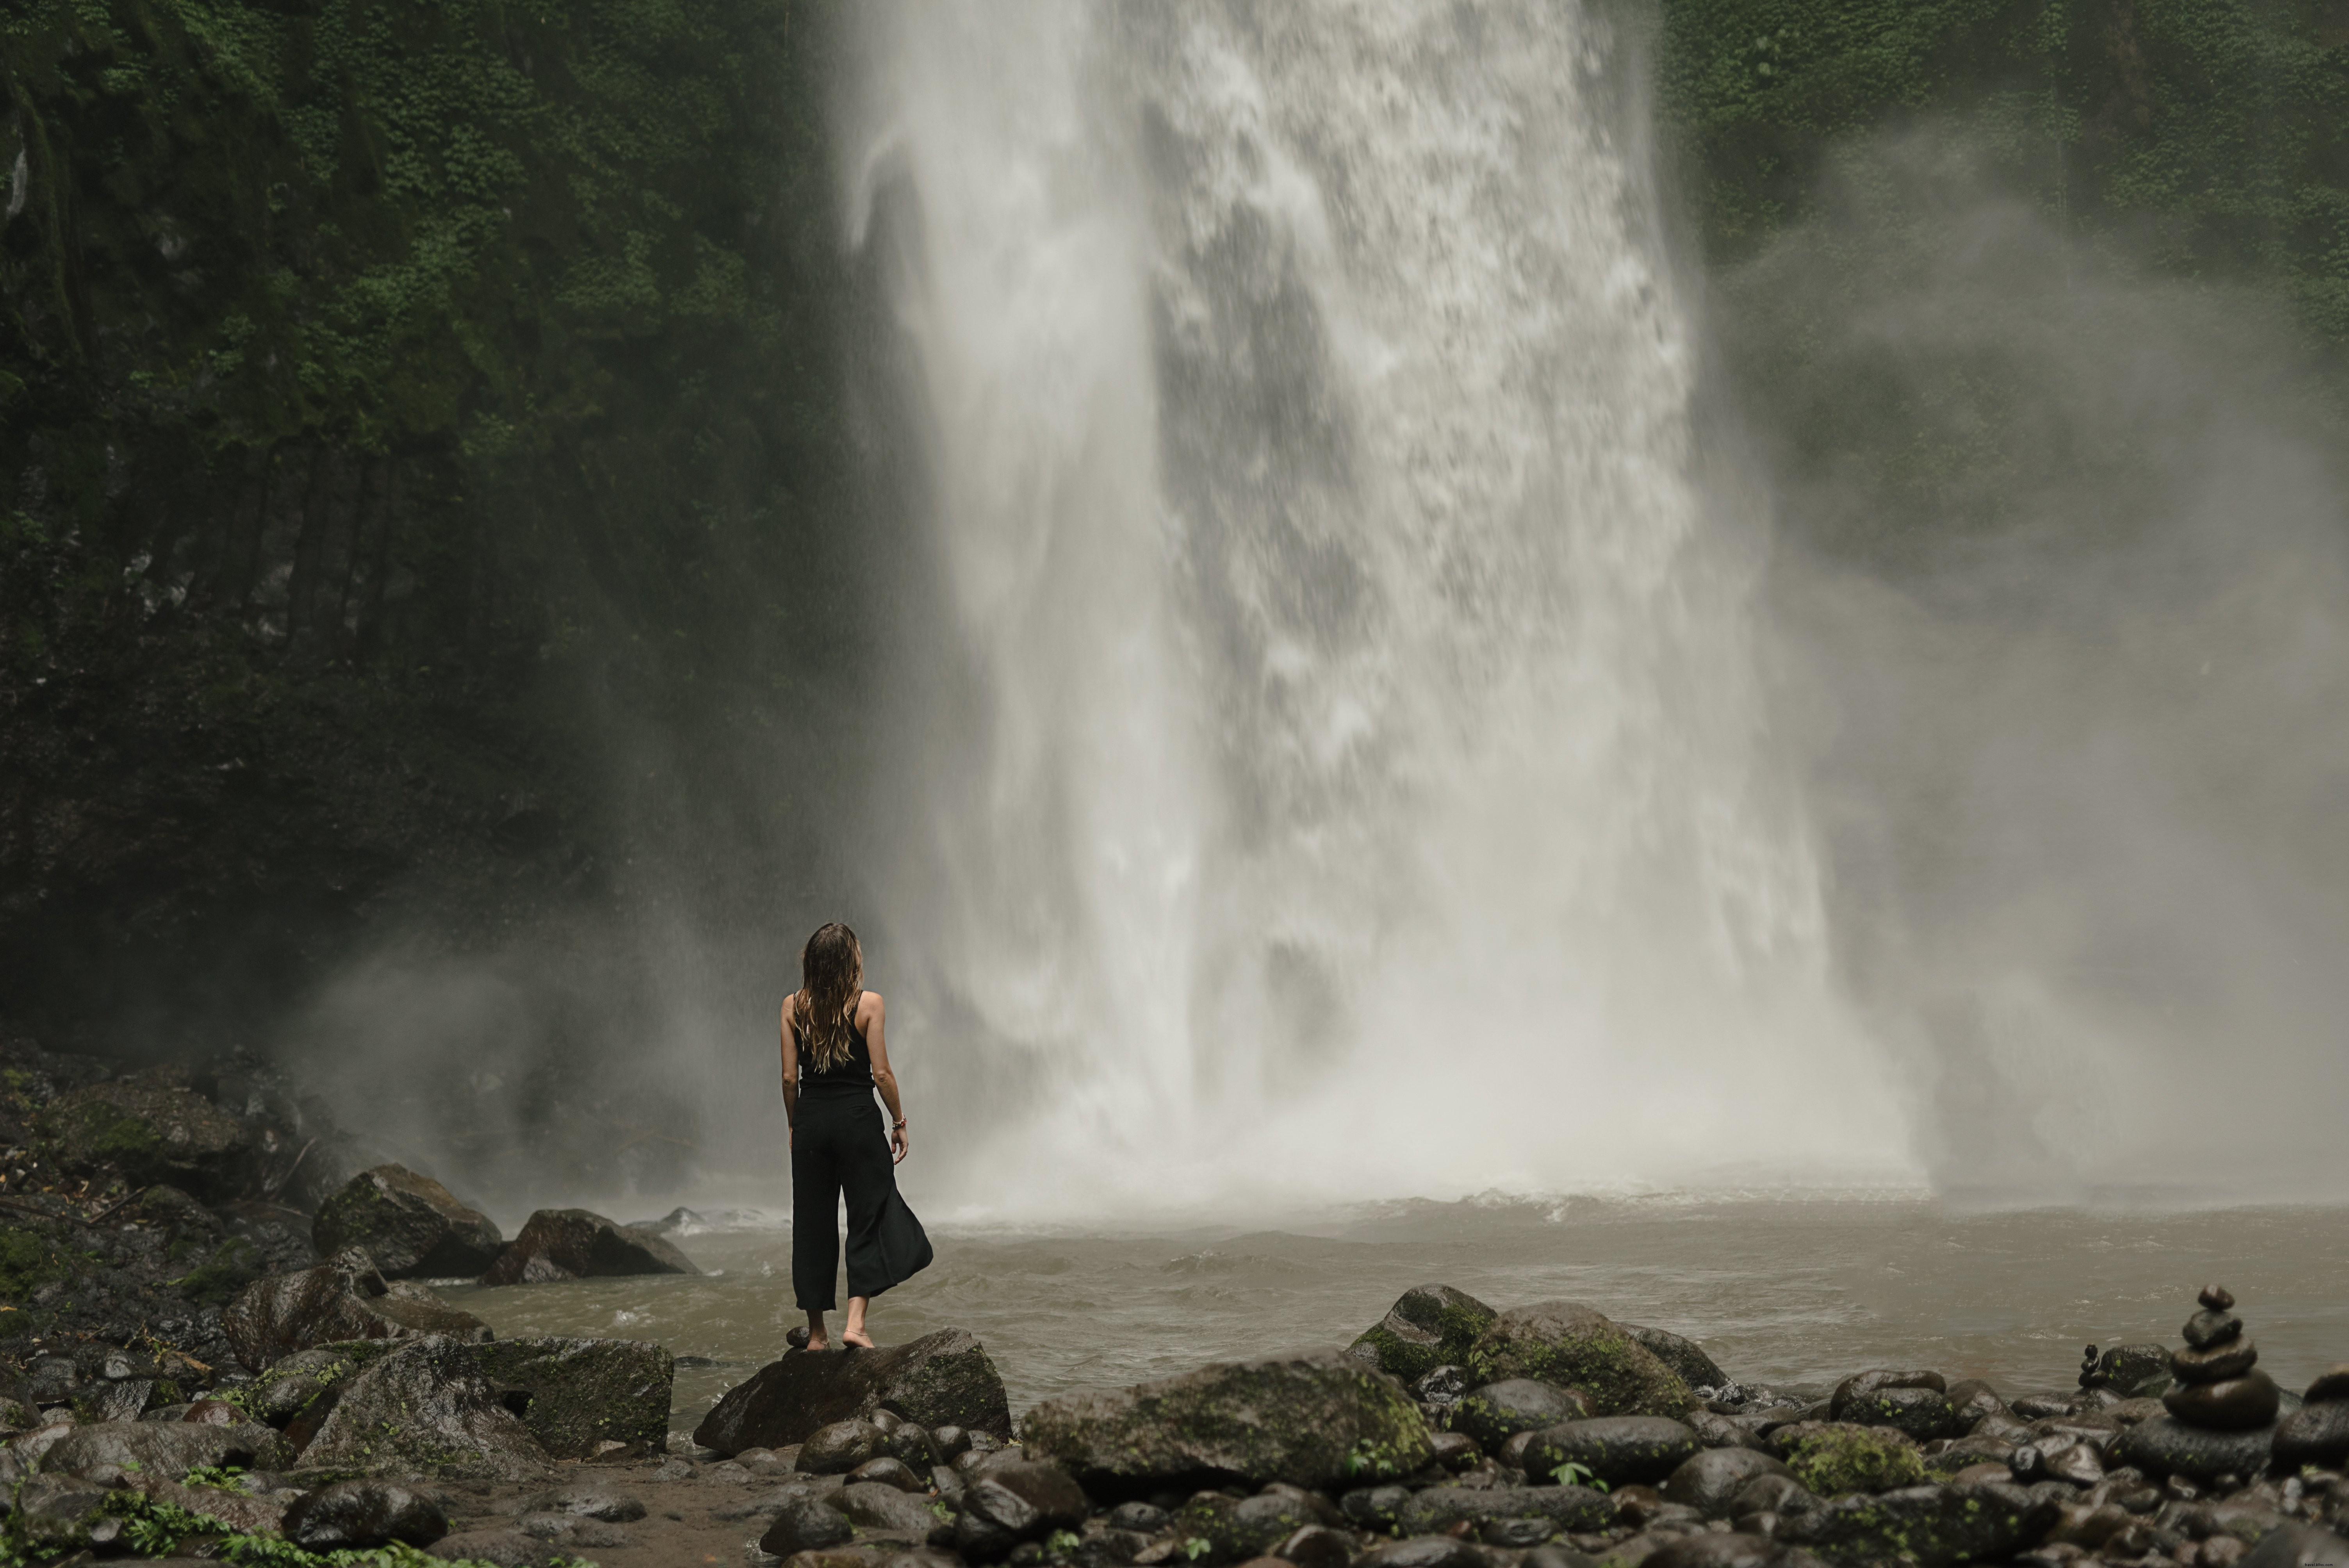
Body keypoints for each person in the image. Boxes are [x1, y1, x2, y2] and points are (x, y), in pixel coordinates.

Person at [781, 921, 928, 1350]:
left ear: (811, 961)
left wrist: (795, 1122)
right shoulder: (869, 1004)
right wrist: (899, 1121)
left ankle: (817, 1335)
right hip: (859, 1120)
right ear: (852, 962)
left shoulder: (793, 1006)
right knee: (867, 1215)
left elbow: (790, 1078)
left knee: (812, 1222)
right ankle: (855, 1323)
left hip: (812, 1120)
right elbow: (881, 1073)